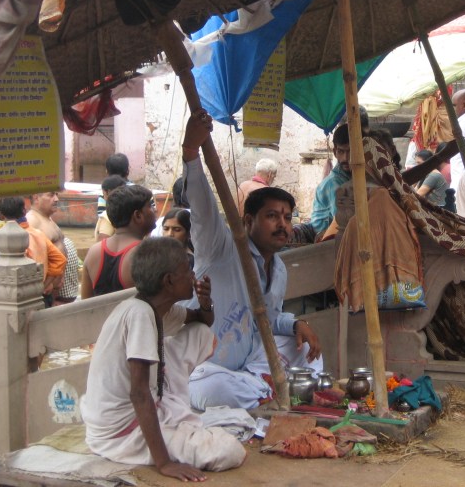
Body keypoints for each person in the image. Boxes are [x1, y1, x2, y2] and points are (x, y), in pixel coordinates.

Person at [182, 109, 322, 411]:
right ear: (248, 221)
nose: (282, 224)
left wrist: (296, 323)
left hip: (249, 366)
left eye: (287, 217)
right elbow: (202, 206)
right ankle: (268, 392)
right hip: (206, 371)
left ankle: (263, 391)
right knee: (213, 387)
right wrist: (191, 152)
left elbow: (268, 321)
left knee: (308, 349)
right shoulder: (220, 247)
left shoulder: (279, 268)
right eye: (272, 216)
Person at [81, 237, 246, 478]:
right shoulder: (139, 315)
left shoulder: (156, 308)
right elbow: (139, 393)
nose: (193, 275)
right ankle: (167, 435)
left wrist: (205, 303)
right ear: (169, 281)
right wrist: (165, 463)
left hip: (141, 411)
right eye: (187, 270)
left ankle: (172, 415)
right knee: (228, 450)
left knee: (200, 333)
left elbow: (202, 322)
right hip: (122, 435)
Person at [80, 185, 157, 298]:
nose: (155, 209)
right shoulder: (147, 253)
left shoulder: (94, 251)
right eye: (150, 206)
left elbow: (85, 305)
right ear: (138, 215)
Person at [0, 197, 67, 308]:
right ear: (24, 211)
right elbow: (60, 259)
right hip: (41, 294)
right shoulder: (38, 234)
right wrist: (45, 284)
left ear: (1, 215)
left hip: (19, 299)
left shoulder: (6, 240)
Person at [26, 191, 79, 305]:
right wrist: (47, 283)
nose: (56, 199)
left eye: (56, 195)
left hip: (58, 291)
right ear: (36, 198)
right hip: (47, 294)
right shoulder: (32, 220)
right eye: (51, 195)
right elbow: (31, 257)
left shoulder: (46, 218)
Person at [311, 124, 351, 238]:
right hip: (325, 240)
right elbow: (343, 224)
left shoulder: (354, 177)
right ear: (334, 152)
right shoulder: (335, 184)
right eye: (341, 152)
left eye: (350, 151)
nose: (345, 158)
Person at [98, 153, 131, 218]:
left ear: (107, 172)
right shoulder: (139, 190)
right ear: (128, 171)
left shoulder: (105, 191)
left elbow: (101, 214)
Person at [95, 175, 127, 241]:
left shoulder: (108, 215)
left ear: (108, 192)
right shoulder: (132, 211)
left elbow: (102, 244)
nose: (103, 197)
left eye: (103, 193)